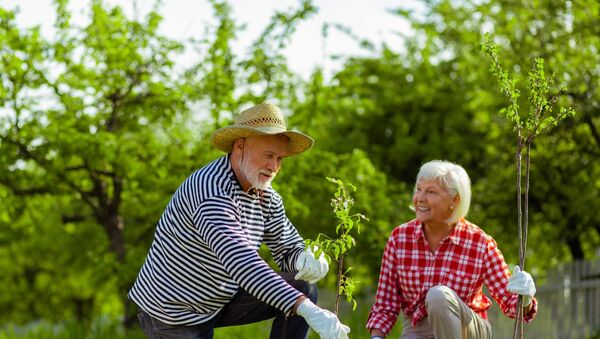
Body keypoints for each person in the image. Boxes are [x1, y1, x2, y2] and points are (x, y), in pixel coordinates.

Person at [129, 102, 350, 339]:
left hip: (218, 298)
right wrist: (308, 310)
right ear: (240, 146)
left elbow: (287, 248)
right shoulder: (210, 191)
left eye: (279, 159)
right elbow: (243, 264)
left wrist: (304, 258)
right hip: (173, 310)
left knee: (303, 285)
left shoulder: (266, 195)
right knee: (299, 300)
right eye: (268, 155)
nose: (274, 167)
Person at [366, 160, 537, 339]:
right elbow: (385, 304)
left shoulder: (479, 243)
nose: (420, 198)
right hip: (419, 326)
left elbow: (512, 304)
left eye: (431, 192)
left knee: (438, 296)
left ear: (454, 200)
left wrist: (524, 298)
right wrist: (377, 337)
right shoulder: (399, 238)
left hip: (469, 328)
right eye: (418, 189)